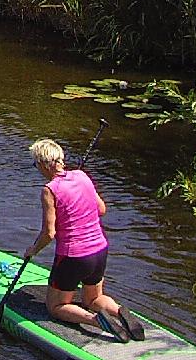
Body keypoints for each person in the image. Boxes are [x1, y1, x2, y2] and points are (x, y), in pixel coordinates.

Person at [21, 137, 141, 339]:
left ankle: (96, 321)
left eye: (36, 164)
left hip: (73, 257)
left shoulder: (49, 190)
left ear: (43, 164)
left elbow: (49, 233)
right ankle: (118, 311)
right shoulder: (81, 175)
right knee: (93, 299)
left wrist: (32, 250)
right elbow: (101, 209)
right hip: (99, 250)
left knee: (57, 306)